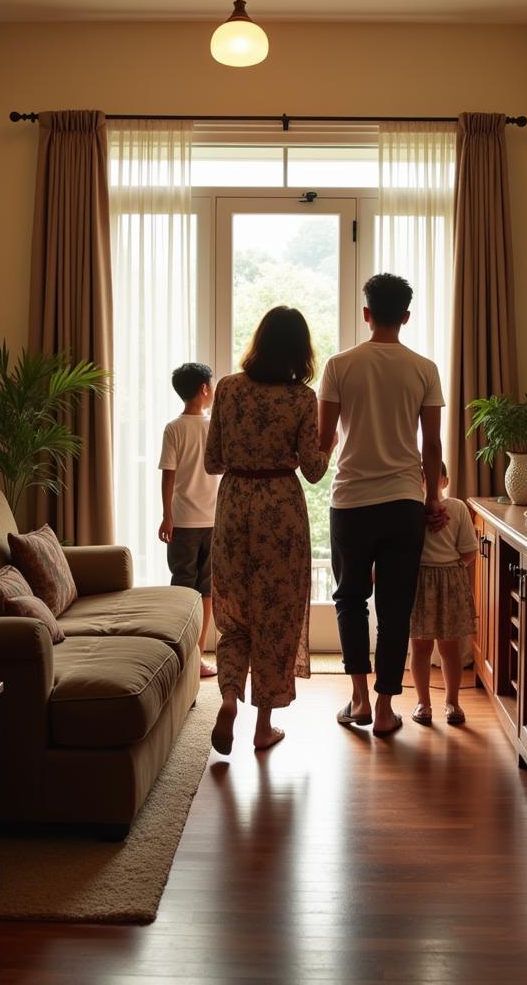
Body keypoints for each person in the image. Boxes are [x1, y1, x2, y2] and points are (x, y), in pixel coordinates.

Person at [318, 273, 447, 737]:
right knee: (395, 607)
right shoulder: (424, 368)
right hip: (403, 502)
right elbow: (431, 443)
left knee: (350, 598)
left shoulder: (339, 365)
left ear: (367, 313)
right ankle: (387, 707)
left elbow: (323, 440)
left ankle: (357, 697)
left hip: (351, 499)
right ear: (406, 316)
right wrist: (433, 496)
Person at [205, 307, 332, 754]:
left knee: (235, 618)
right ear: (300, 350)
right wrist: (328, 441)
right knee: (276, 620)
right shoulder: (301, 399)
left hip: (236, 505)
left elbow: (212, 462)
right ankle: (263, 727)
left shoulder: (228, 388)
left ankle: (226, 699)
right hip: (280, 509)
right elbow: (314, 472)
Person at [158, 362, 219, 678]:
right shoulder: (214, 427)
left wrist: (167, 517)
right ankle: (196, 653)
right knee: (205, 588)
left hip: (182, 521)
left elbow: (168, 478)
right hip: (210, 521)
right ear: (204, 389)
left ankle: (187, 657)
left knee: (182, 587)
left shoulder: (173, 427)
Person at [408, 462, 478, 727]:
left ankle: (452, 702)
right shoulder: (413, 510)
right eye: (422, 477)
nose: (427, 482)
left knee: (450, 648)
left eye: (433, 477)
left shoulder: (458, 508)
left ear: (445, 482)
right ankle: (423, 703)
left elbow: (469, 550)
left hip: (448, 581)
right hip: (421, 581)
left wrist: (451, 570)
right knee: (420, 645)